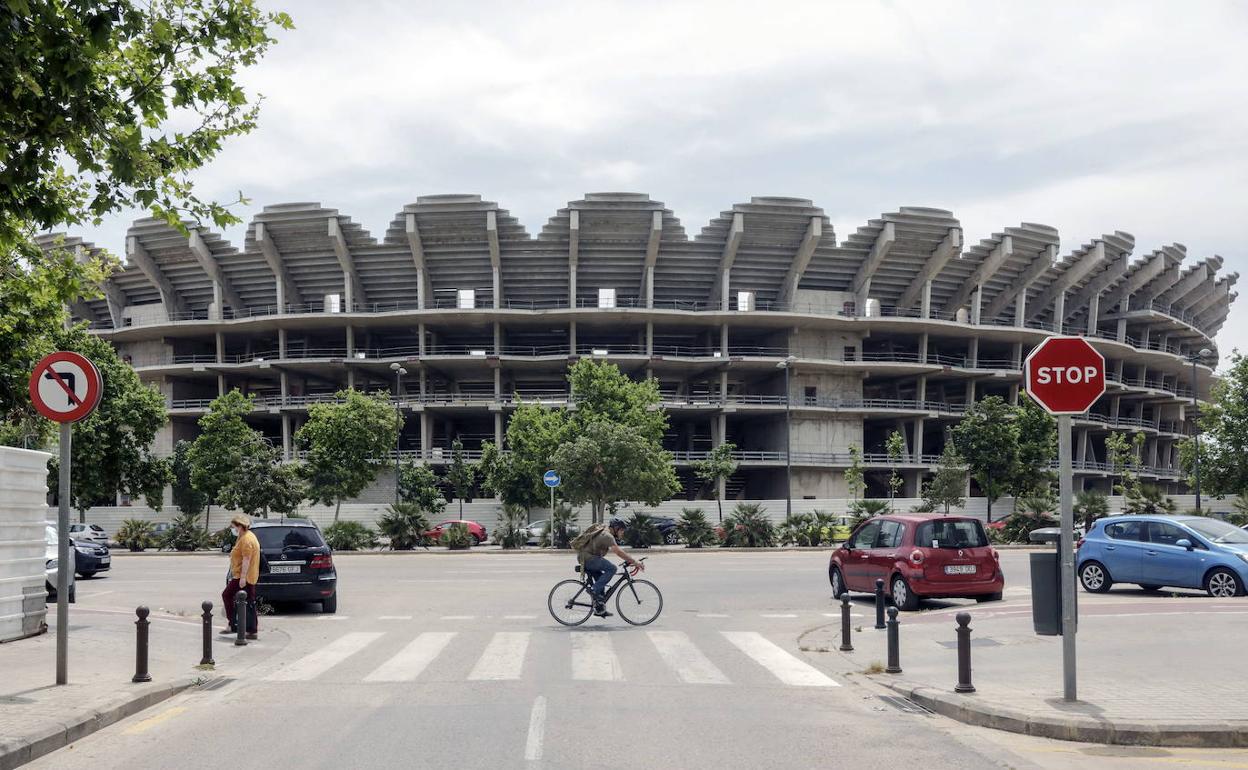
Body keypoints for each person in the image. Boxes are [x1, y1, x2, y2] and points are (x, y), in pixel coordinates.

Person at [576, 518, 643, 618]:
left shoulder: (605, 532)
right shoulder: (607, 536)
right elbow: (618, 551)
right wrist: (634, 561)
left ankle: (600, 609)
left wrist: (630, 560)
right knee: (612, 569)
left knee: (601, 582)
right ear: (616, 528)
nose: (622, 533)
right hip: (589, 559)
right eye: (622, 530)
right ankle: (593, 590)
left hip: (587, 558)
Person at [221, 514, 260, 640]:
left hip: (244, 576)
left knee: (227, 595)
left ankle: (235, 624)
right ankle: (245, 628)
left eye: (234, 526)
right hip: (243, 575)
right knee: (249, 602)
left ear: (240, 526)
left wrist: (242, 577)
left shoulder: (247, 539)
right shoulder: (244, 536)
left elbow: (246, 559)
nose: (233, 528)